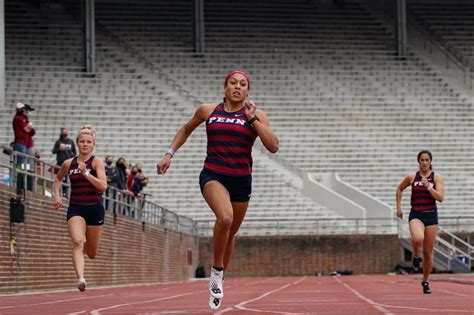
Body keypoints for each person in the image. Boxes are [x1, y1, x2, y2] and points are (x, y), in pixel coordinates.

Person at [156, 70, 279, 310]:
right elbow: (186, 129)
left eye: (243, 84)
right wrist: (168, 154)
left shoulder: (256, 115)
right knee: (225, 217)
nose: (237, 87)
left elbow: (273, 146)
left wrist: (253, 119)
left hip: (242, 181)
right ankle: (216, 270)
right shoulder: (208, 110)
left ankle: (220, 275)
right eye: (233, 83)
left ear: (247, 91)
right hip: (213, 175)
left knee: (230, 232)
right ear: (225, 88)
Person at [53, 125, 107, 292]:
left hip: (94, 209)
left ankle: (83, 260)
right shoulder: (69, 163)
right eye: (82, 141)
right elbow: (57, 179)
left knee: (91, 253)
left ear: (93, 144)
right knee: (77, 242)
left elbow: (103, 186)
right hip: (76, 208)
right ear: (76, 143)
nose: (85, 144)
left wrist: (86, 174)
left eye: (88, 142)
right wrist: (56, 194)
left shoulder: (96, 162)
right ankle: (81, 278)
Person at [396, 150, 444, 294]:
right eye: (422, 160)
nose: (424, 162)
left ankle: (425, 281)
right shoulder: (412, 177)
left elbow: (440, 198)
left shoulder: (436, 178)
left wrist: (428, 186)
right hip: (416, 214)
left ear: (430, 162)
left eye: (427, 160)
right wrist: (398, 207)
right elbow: (399, 189)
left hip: (431, 217)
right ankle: (416, 255)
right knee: (418, 238)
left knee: (429, 253)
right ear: (418, 162)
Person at [12, 102, 35, 169]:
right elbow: (27, 130)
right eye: (23, 109)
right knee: (21, 162)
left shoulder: (24, 118)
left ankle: (24, 177)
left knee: (25, 164)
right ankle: (20, 177)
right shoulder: (19, 118)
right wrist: (30, 128)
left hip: (25, 142)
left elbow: (32, 132)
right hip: (21, 142)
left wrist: (30, 128)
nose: (25, 111)